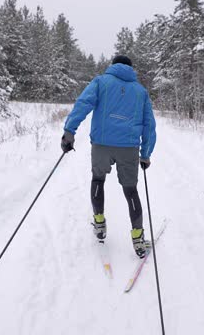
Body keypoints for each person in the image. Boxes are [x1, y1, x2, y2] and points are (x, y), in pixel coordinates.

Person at [61, 55, 157, 258]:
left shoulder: (101, 82)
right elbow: (149, 125)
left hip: (101, 145)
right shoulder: (141, 92)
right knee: (131, 191)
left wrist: (70, 131)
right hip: (128, 148)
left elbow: (83, 104)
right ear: (131, 69)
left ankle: (99, 224)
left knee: (98, 180)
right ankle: (138, 239)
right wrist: (145, 154)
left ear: (112, 66)